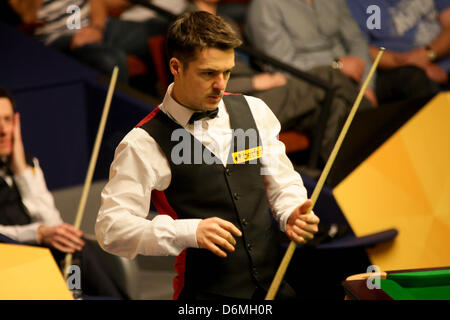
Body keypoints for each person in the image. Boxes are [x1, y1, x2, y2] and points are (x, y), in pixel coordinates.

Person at [96, 11, 320, 300]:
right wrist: (188, 231)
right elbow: (111, 229)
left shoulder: (254, 111)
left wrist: (290, 212)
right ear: (175, 67)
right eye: (208, 73)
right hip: (205, 296)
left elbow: (282, 183)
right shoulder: (143, 143)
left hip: (274, 287)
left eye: (227, 71)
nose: (221, 84)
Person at [186, 0, 363, 164]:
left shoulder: (226, 21)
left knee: (334, 104)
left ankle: (338, 176)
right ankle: (367, 107)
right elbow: (199, 84)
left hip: (256, 97)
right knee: (327, 76)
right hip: (231, 103)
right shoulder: (188, 25)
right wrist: (255, 82)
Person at [0, 87, 125, 299]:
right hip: (10, 269)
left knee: (75, 248)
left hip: (44, 263)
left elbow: (51, 220)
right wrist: (38, 233)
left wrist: (21, 171)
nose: (3, 130)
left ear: (17, 123)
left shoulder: (27, 165)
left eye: (8, 120)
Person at [245, 0, 378, 108]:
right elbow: (282, 66)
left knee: (398, 84)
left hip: (357, 78)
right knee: (341, 103)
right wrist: (336, 64)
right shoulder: (265, 5)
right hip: (310, 85)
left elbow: (356, 41)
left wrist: (367, 85)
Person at [8, 0, 167, 84]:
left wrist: (97, 27)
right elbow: (27, 17)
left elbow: (95, 1)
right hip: (58, 37)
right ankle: (121, 128)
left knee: (165, 29)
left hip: (94, 26)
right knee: (112, 60)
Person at [346, 0, 450, 102]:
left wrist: (428, 54)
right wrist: (414, 64)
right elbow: (362, 48)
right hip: (400, 71)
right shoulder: (355, 3)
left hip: (441, 59)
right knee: (414, 78)